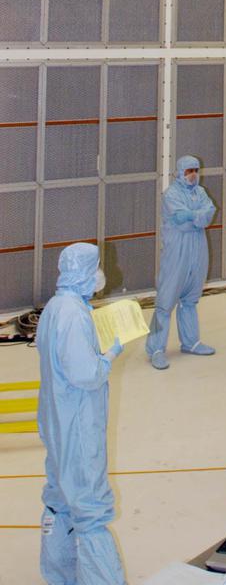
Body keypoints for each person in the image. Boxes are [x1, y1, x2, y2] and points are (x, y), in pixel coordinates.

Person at [36, 242, 126, 585]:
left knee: (60, 499)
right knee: (90, 509)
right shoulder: (73, 314)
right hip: (77, 424)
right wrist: (109, 356)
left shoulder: (56, 307)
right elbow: (85, 374)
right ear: (86, 272)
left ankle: (59, 573)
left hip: (57, 421)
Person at [146, 155, 216, 370]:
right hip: (177, 250)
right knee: (166, 301)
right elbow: (179, 219)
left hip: (198, 249)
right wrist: (197, 218)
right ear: (180, 172)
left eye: (195, 170)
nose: (193, 174)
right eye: (189, 171)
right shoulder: (171, 194)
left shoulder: (201, 192)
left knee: (191, 298)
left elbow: (209, 213)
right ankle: (156, 348)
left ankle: (191, 342)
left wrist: (193, 217)